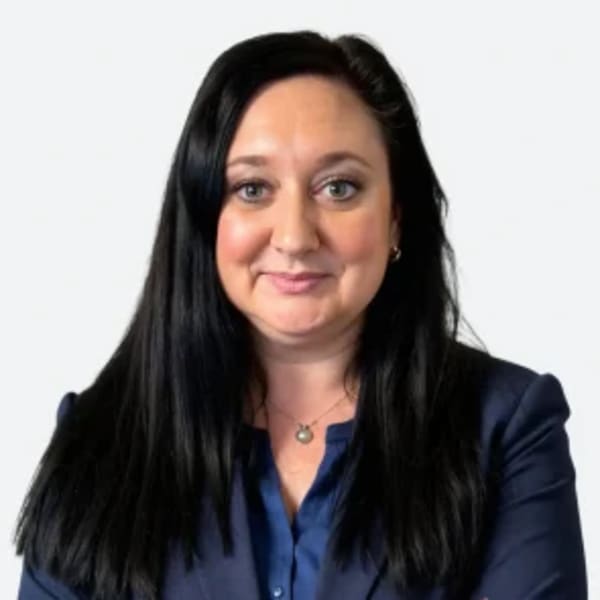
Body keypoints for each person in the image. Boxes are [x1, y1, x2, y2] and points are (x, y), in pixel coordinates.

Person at [15, 30, 587, 600]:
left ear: (396, 217)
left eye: (338, 188)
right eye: (252, 189)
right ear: (206, 215)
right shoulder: (99, 442)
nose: (293, 236)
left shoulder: (505, 431)